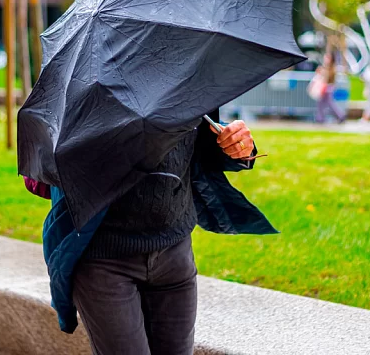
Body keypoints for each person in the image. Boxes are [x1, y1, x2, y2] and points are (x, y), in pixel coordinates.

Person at [55, 116, 258, 355]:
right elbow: (46, 168)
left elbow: (198, 140)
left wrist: (236, 143)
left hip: (175, 255)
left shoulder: (186, 80)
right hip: (105, 261)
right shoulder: (87, 84)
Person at [314, 53, 346, 124]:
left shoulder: (331, 68)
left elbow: (329, 78)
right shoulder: (326, 67)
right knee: (323, 104)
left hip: (328, 88)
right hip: (326, 87)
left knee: (329, 104)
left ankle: (340, 115)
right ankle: (320, 118)